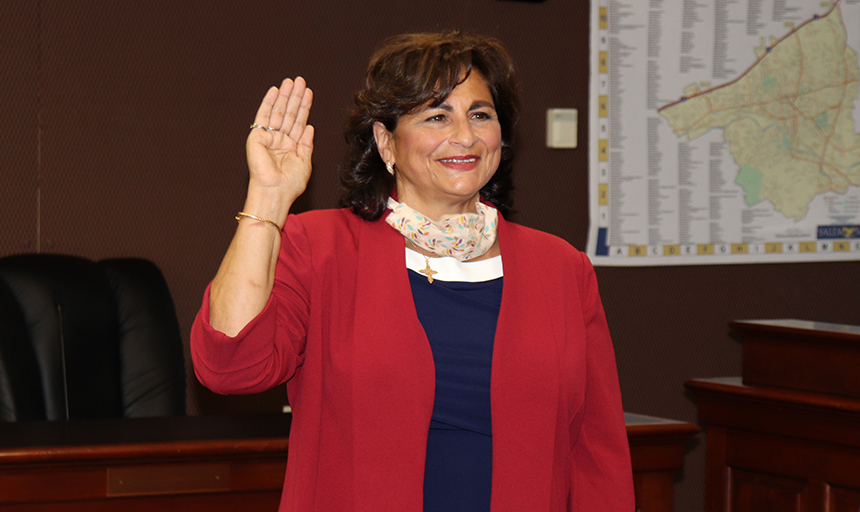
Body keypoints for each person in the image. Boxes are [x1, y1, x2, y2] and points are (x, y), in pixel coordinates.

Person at [191, 32, 634, 512]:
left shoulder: (561, 268)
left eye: (480, 115)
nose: (464, 136)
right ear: (387, 141)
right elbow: (230, 366)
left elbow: (598, 450)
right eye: (437, 116)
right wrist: (268, 199)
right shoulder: (320, 249)